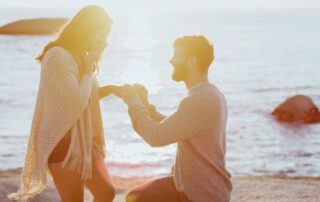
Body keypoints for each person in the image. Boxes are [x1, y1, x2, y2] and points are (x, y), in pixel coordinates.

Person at [8, 5, 120, 202]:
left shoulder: (81, 58)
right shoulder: (57, 56)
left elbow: (83, 97)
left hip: (83, 142)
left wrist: (112, 90)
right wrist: (88, 70)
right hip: (62, 141)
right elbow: (76, 99)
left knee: (106, 192)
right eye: (102, 34)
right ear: (87, 30)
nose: (105, 42)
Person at [120, 35, 233, 202]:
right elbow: (180, 127)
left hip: (201, 194)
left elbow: (156, 137)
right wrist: (147, 107)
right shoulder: (210, 94)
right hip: (202, 187)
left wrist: (133, 102)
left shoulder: (199, 100)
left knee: (135, 199)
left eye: (176, 56)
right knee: (137, 196)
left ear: (192, 62)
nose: (171, 61)